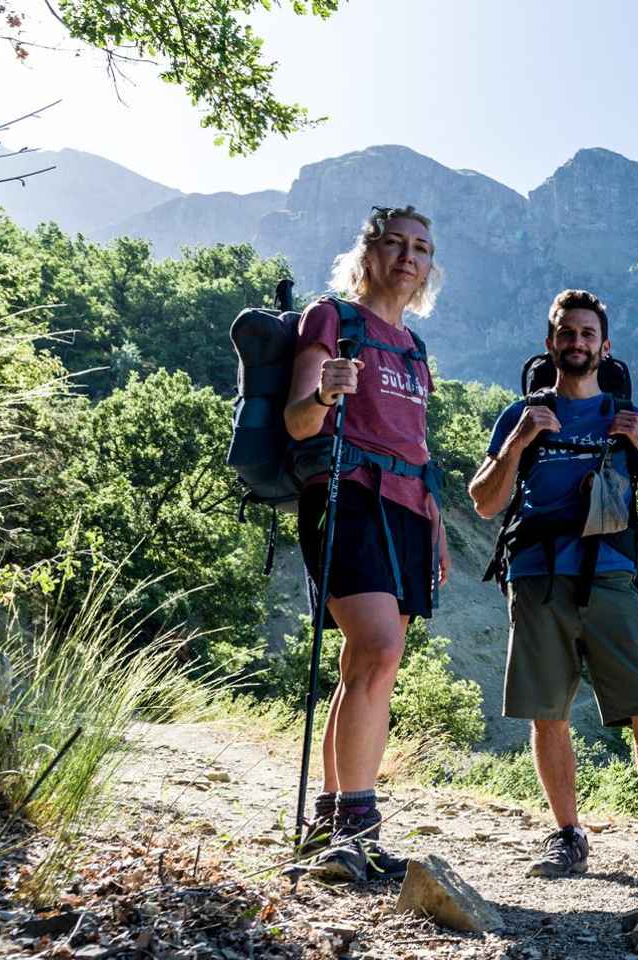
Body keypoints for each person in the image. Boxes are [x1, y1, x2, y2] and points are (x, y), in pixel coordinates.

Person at [468, 289, 638, 881]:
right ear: (550, 343)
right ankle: (566, 834)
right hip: (535, 577)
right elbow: (483, 502)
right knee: (547, 714)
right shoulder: (519, 415)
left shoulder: (629, 419)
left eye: (587, 334)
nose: (576, 342)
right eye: (566, 332)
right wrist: (517, 442)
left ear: (604, 347)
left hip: (610, 575)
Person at [283, 205, 450, 883]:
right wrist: (323, 392)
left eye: (421, 248)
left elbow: (418, 445)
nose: (409, 257)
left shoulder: (414, 350)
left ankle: (333, 822)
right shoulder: (333, 319)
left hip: (409, 509)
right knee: (379, 650)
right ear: (369, 251)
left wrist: (436, 525)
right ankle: (358, 822)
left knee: (368, 665)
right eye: (396, 243)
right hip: (346, 493)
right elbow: (298, 425)